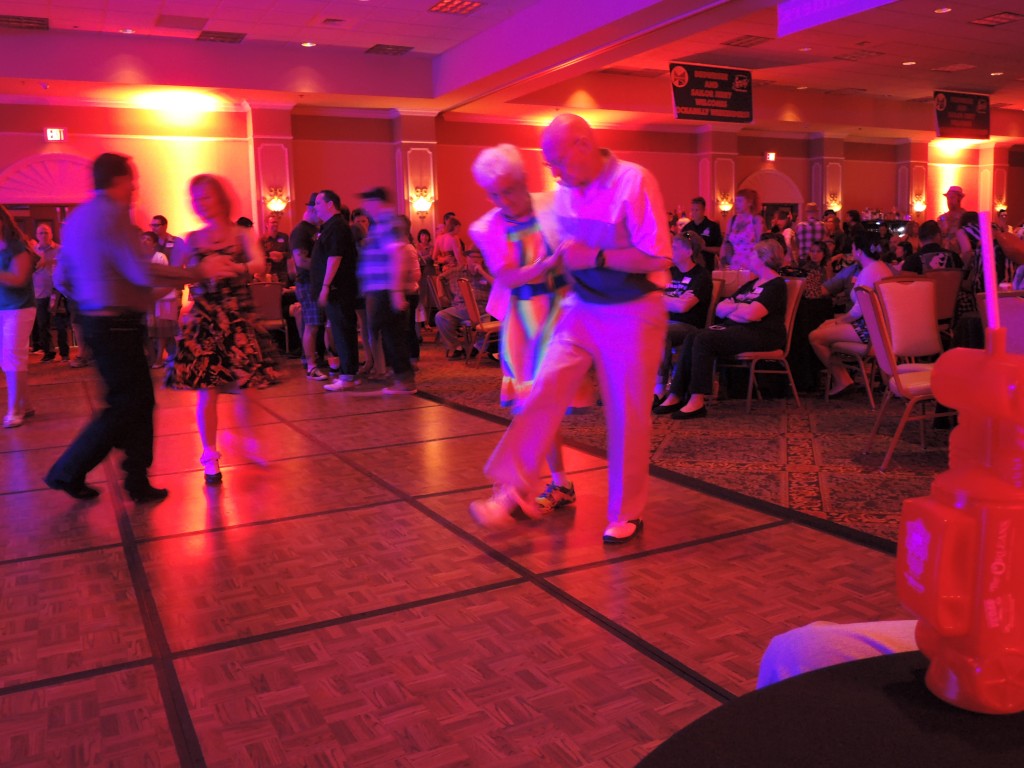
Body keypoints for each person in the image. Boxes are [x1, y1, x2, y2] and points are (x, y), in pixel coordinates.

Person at [469, 114, 671, 543]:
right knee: (542, 390)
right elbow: (557, 256)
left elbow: (656, 258)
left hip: (634, 310)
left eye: (558, 161)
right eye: (549, 165)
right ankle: (514, 489)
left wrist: (596, 257)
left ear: (583, 144)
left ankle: (627, 513)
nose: (555, 173)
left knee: (626, 413)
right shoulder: (563, 195)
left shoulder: (634, 182)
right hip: (582, 307)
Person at [44, 153, 234, 501]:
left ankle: (134, 478)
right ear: (118, 180)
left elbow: (62, 277)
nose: (136, 187)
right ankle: (70, 470)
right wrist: (196, 274)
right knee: (127, 405)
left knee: (137, 402)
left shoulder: (77, 219)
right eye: (132, 180)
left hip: (100, 323)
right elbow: (138, 271)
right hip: (117, 325)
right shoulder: (112, 215)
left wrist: (90, 301)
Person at [469, 143, 580, 512]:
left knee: (541, 405)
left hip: (561, 315)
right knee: (530, 405)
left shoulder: (552, 205)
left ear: (524, 180)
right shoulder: (487, 227)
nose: (504, 199)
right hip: (523, 320)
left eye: (510, 189)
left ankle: (524, 487)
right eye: (495, 194)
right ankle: (544, 485)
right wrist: (549, 264)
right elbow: (508, 276)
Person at [167, 174, 278, 485]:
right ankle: (210, 453)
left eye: (205, 196)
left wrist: (237, 267)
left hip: (238, 315)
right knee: (207, 390)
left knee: (247, 386)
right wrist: (197, 273)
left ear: (220, 197)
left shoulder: (242, 232)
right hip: (205, 319)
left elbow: (259, 263)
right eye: (195, 198)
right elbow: (177, 273)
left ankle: (247, 439)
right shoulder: (192, 239)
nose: (199, 203)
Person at [660, 238, 789, 420]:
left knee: (705, 339)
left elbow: (753, 315)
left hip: (763, 333)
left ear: (763, 258)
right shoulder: (751, 284)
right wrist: (739, 310)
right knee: (693, 336)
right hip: (739, 328)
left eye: (753, 254)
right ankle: (676, 394)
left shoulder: (776, 285)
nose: (749, 257)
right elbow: (721, 309)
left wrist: (735, 308)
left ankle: (697, 400)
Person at [808, 230, 893, 398]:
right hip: (879, 328)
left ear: (859, 251)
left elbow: (857, 312)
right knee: (825, 327)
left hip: (869, 331)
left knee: (815, 336)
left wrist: (839, 322)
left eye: (853, 248)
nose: (852, 252)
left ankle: (842, 379)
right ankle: (844, 378)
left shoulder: (869, 272)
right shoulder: (881, 268)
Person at [356, 187, 418, 395]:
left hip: (386, 290)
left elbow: (397, 257)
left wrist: (396, 292)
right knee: (389, 333)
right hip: (379, 290)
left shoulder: (387, 223)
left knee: (393, 334)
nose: (365, 207)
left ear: (377, 202)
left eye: (368, 202)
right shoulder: (380, 224)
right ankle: (403, 378)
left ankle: (405, 381)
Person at [652, 230, 713, 407]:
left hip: (689, 326)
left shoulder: (701, 276)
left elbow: (684, 307)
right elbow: (652, 298)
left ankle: (659, 388)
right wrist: (672, 300)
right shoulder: (668, 272)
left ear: (688, 252)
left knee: (660, 333)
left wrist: (662, 299)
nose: (670, 250)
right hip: (664, 321)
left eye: (675, 247)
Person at [314, 190, 362, 392]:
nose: (315, 207)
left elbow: (335, 258)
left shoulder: (337, 227)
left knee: (343, 329)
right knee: (342, 328)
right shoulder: (331, 227)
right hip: (336, 289)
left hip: (338, 289)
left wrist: (325, 286)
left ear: (330, 204)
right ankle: (347, 372)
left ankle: (347, 375)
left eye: (318, 203)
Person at [0, 206, 35, 428]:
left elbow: (19, 279)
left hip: (20, 308)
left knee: (13, 356)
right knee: (7, 359)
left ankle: (16, 410)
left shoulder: (17, 247)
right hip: (3, 308)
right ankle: (26, 404)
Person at [31, 224, 60, 361]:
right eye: (41, 233)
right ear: (36, 235)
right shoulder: (33, 251)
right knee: (43, 323)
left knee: (61, 322)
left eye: (46, 232)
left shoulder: (59, 250)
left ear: (51, 234)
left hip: (58, 292)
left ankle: (65, 352)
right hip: (40, 292)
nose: (43, 235)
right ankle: (49, 352)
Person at [723, 188, 764, 267]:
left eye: (740, 201)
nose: (736, 204)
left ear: (749, 203)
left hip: (752, 263)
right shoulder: (732, 220)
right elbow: (725, 242)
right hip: (734, 263)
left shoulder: (756, 220)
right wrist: (723, 258)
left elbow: (760, 244)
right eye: (736, 201)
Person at [681, 196, 722, 269]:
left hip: (707, 267)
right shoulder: (687, 228)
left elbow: (719, 249)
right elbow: (683, 244)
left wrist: (704, 248)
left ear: (703, 210)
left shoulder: (713, 227)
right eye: (692, 210)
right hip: (690, 267)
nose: (694, 212)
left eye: (697, 210)